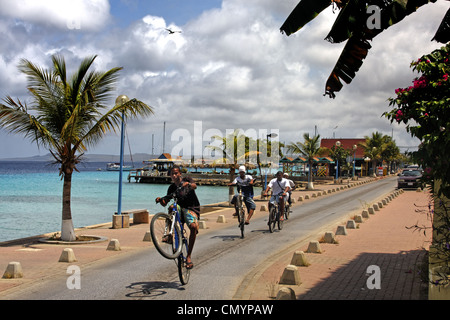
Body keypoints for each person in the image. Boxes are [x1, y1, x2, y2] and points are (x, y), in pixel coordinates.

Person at [155, 166, 200, 269]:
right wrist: (160, 199)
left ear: (180, 174)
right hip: (179, 209)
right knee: (171, 207)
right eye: (172, 174)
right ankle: (170, 235)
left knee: (193, 227)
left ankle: (188, 256)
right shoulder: (171, 188)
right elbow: (164, 203)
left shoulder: (186, 180)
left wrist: (188, 184)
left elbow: (195, 186)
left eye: (176, 173)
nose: (174, 175)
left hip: (190, 208)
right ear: (170, 175)